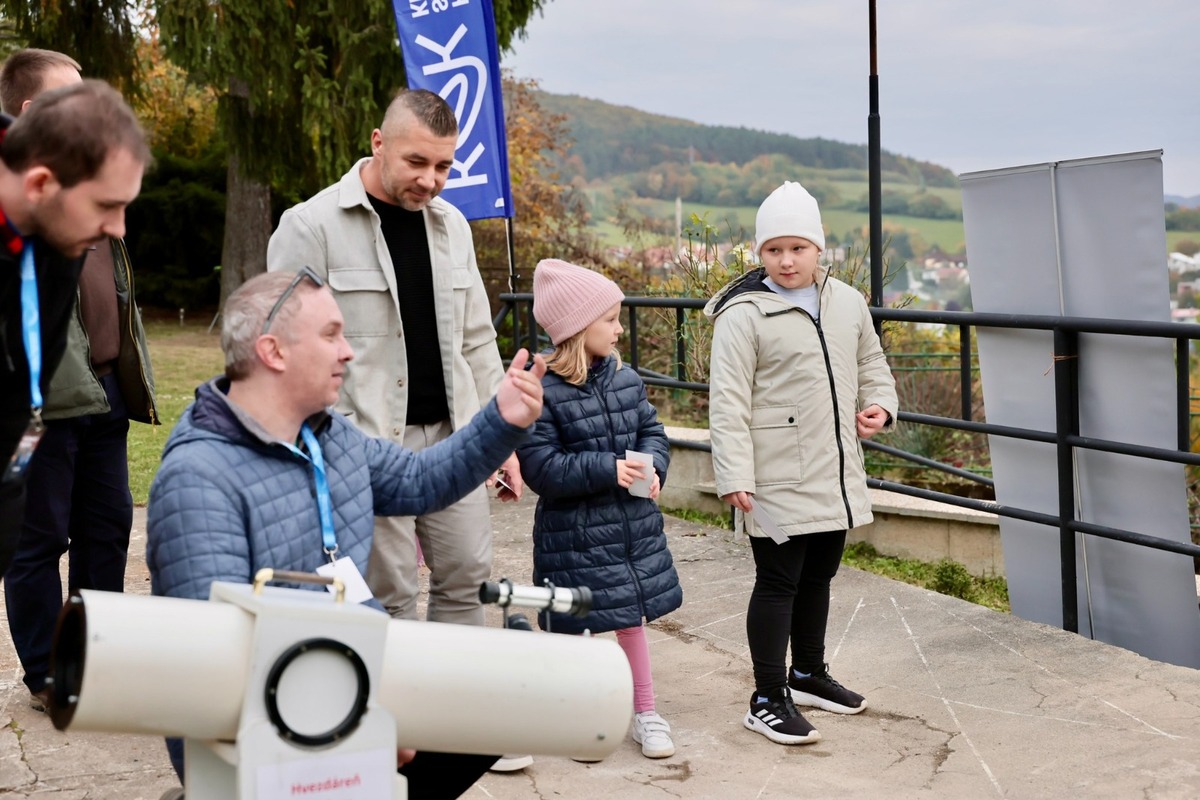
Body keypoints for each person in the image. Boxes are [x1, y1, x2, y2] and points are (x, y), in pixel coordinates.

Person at [146, 270, 547, 800]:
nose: (349, 352)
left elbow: (419, 480)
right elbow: (219, 670)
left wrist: (501, 420)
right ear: (273, 351)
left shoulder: (329, 436)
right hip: (270, 741)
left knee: (519, 694)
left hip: (350, 680)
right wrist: (364, 724)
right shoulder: (198, 479)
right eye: (332, 334)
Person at [267, 87, 535, 773]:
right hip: (362, 446)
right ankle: (385, 730)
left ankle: (453, 723)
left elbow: (479, 341)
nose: (431, 180)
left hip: (454, 439)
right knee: (384, 593)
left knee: (468, 577)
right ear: (379, 143)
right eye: (418, 161)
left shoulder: (452, 227)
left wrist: (498, 439)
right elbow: (283, 347)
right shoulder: (310, 225)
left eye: (444, 166)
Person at [705, 181, 898, 746]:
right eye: (773, 250)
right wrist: (734, 475)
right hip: (775, 476)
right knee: (778, 581)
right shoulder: (743, 314)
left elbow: (872, 362)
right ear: (759, 253)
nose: (786, 261)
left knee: (820, 574)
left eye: (798, 248)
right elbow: (728, 400)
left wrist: (881, 405)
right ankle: (766, 697)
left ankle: (808, 673)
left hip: (836, 471)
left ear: (820, 248)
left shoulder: (848, 302)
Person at [1, 49, 158, 713]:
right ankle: (44, 673)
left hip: (102, 393)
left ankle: (93, 661)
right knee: (37, 538)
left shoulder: (73, 201)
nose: (116, 226)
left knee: (106, 528)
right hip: (49, 409)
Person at [516, 258, 683, 760]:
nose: (618, 329)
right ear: (575, 328)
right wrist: (606, 468)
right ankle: (584, 718)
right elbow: (541, 467)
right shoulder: (542, 390)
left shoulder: (625, 378)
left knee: (630, 618)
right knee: (580, 627)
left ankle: (646, 711)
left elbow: (652, 431)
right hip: (574, 535)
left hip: (630, 526)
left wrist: (653, 466)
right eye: (610, 320)